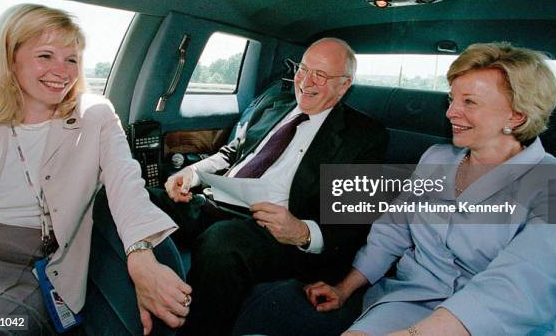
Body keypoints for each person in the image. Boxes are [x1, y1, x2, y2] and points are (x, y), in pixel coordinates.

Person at [296, 42, 556, 335]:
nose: (451, 112)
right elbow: (392, 231)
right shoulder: (436, 158)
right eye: (451, 99)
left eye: (469, 102)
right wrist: (344, 288)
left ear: (517, 116)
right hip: (413, 299)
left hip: (504, 322)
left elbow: (519, 284)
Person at [0, 4, 191, 335]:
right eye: (46, 56)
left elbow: (127, 185)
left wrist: (140, 253)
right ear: (10, 59)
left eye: (72, 59)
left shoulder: (94, 115)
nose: (63, 71)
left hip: (29, 267)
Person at [163, 38, 389, 335]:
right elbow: (232, 152)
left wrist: (302, 231)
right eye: (303, 69)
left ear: (344, 85)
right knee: (147, 200)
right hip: (215, 201)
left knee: (222, 243)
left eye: (320, 75)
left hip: (276, 231)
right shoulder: (274, 104)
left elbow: (351, 218)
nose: (305, 82)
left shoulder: (365, 136)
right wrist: (191, 174)